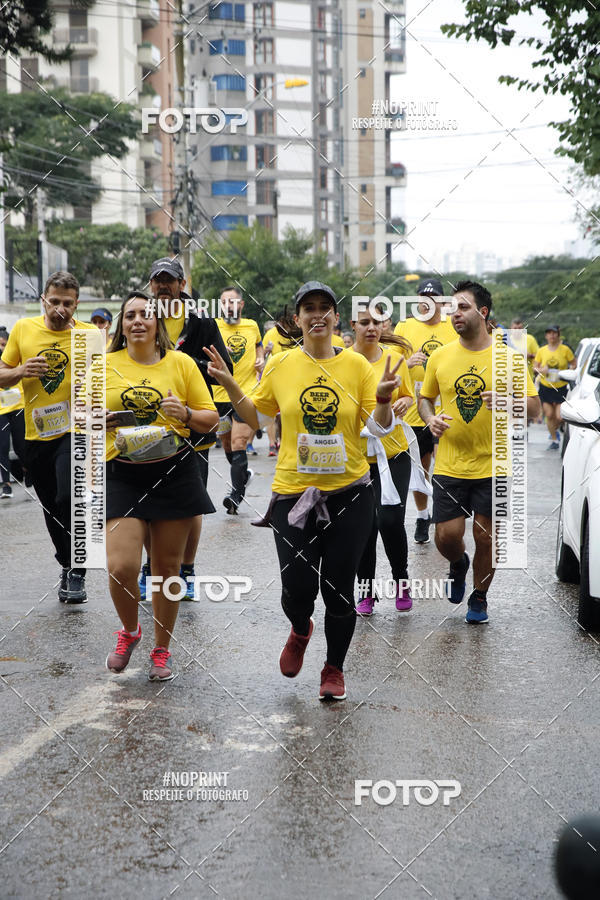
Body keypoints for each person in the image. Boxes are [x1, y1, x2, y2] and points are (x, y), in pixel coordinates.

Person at [205, 280, 401, 701]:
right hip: (294, 495)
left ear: (335, 317)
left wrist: (384, 400)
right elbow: (256, 418)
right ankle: (299, 628)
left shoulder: (357, 367)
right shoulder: (281, 364)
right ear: (297, 319)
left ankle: (334, 669)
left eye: (324, 307)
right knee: (296, 591)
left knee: (339, 591)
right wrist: (230, 383)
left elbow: (379, 429)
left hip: (349, 495)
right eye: (308, 308)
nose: (317, 314)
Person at [103, 291, 219, 680]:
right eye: (130, 315)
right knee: (121, 566)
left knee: (167, 568)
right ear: (122, 325)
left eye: (145, 314)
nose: (138, 320)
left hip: (173, 471)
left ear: (158, 324)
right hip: (122, 472)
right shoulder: (103, 365)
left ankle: (161, 649)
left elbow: (211, 419)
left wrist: (184, 413)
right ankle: (130, 630)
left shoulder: (181, 363)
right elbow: (80, 416)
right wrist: (96, 419)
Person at [418, 281, 540, 624]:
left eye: (463, 307)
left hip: (494, 463)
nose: (455, 314)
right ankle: (458, 563)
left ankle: (479, 596)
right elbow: (425, 398)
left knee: (486, 537)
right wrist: (430, 419)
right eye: (452, 308)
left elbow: (534, 409)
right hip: (450, 463)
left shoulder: (508, 358)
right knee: (447, 536)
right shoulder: (440, 356)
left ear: (483, 312)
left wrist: (507, 403)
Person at [138, 257, 232, 600]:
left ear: (181, 285)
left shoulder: (201, 321)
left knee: (191, 504)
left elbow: (224, 367)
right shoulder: (141, 316)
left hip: (193, 424)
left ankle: (187, 569)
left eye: (170, 280)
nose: (163, 285)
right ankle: (151, 567)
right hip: (149, 424)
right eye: (158, 280)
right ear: (151, 285)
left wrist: (185, 364)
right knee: (148, 501)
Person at [0, 272, 97, 600]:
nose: (60, 309)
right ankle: (67, 564)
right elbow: (1, 375)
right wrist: (20, 371)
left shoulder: (89, 335)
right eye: (54, 301)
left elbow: (105, 382)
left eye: (67, 303)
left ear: (76, 305)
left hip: (76, 430)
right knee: (51, 505)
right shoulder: (23, 329)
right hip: (36, 434)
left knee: (68, 496)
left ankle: (78, 570)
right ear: (43, 300)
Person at [351, 306, 415, 615]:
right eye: (364, 322)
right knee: (364, 527)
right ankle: (366, 591)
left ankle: (401, 580)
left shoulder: (395, 359)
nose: (371, 328)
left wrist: (404, 401)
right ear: (353, 325)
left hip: (393, 455)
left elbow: (409, 395)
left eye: (377, 322)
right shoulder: (344, 361)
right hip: (357, 460)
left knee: (390, 521)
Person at [394, 278, 457, 544]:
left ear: (442, 302)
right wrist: (407, 363)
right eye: (423, 298)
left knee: (445, 466)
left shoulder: (452, 326)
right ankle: (422, 515)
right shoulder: (404, 326)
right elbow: (389, 362)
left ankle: (445, 514)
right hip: (416, 410)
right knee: (421, 468)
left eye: (433, 298)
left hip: (448, 409)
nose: (428, 303)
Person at [213, 286, 264, 514]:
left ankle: (236, 495)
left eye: (233, 302)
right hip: (219, 395)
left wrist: (260, 358)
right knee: (226, 444)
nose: (229, 306)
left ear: (241, 305)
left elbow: (258, 345)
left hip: (246, 394)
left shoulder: (252, 325)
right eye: (224, 302)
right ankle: (244, 476)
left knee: (239, 442)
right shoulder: (213, 326)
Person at [534, 325, 575, 450]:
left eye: (554, 333)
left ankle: (556, 428)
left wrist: (567, 372)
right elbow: (535, 367)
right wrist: (542, 370)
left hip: (561, 387)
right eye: (549, 333)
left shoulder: (565, 350)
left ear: (558, 335)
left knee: (559, 416)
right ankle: (554, 439)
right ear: (546, 336)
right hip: (546, 386)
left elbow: (574, 364)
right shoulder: (542, 350)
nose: (552, 335)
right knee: (549, 414)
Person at [0, 328, 26, 499]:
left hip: (18, 407)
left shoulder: (16, 358)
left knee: (21, 446)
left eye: (3, 345)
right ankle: (6, 485)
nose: (1, 348)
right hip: (1, 411)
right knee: (2, 448)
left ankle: (27, 469)